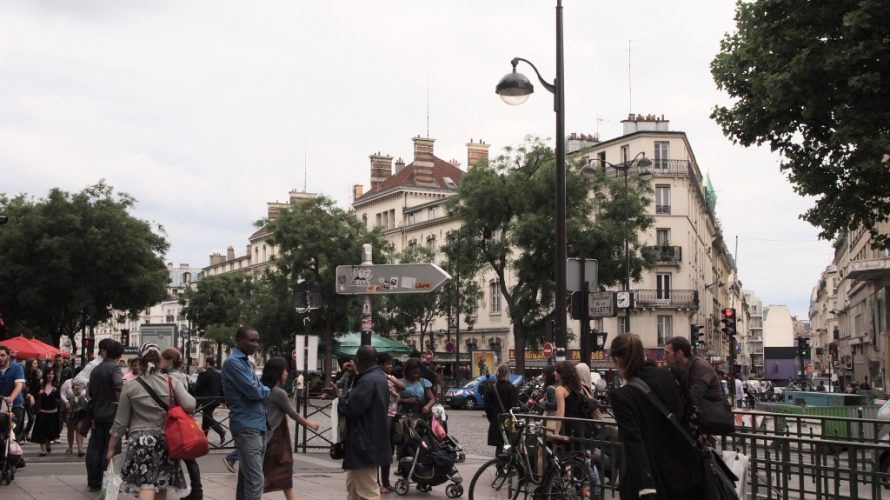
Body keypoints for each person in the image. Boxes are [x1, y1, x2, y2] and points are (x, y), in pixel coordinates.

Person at [608, 334, 705, 499]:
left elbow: (633, 441)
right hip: (687, 471)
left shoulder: (621, 396)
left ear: (617, 360)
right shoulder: (670, 374)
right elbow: (691, 411)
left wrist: (645, 487)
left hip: (655, 478)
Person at [107, 343, 194, 499]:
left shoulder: (130, 386)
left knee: (146, 484)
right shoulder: (171, 382)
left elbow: (120, 422)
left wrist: (111, 448)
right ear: (159, 359)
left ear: (140, 361)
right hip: (165, 439)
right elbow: (190, 405)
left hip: (139, 441)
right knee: (162, 483)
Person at [337, 345, 391, 500]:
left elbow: (351, 408)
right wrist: (354, 375)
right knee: (354, 489)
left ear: (357, 360)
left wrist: (338, 396)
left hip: (364, 443)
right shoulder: (377, 377)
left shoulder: (368, 380)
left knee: (367, 492)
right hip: (370, 440)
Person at [222, 326, 270, 500]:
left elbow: (258, 389)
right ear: (239, 340)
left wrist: (261, 389)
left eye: (257, 340)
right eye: (251, 340)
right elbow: (254, 391)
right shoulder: (233, 362)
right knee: (255, 480)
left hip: (258, 423)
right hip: (247, 424)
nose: (256, 344)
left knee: (246, 479)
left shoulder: (246, 363)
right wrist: (265, 390)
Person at [261, 357, 320, 499]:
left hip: (273, 436)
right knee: (271, 472)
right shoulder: (278, 393)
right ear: (278, 373)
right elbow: (292, 413)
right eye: (285, 370)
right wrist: (309, 423)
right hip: (272, 438)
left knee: (278, 472)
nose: (287, 373)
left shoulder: (262, 388)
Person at [163, 348, 204, 500]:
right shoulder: (184, 376)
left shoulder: (170, 377)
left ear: (170, 361)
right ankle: (196, 490)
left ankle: (190, 490)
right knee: (188, 456)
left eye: (163, 359)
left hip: (174, 417)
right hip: (185, 417)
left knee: (177, 454)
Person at [85, 339, 123, 492]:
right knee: (112, 449)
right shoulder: (115, 369)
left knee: (95, 447)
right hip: (111, 413)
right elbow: (118, 386)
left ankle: (93, 481)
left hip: (96, 412)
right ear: (119, 354)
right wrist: (120, 404)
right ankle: (109, 483)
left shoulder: (96, 369)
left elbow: (90, 392)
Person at [664, 336, 724, 403]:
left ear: (679, 353)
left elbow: (694, 398)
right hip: (700, 410)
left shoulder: (701, 367)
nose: (664, 357)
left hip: (712, 410)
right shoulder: (678, 369)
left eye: (667, 353)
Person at [377, 352, 405, 494]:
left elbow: (402, 386)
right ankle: (378, 483)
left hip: (393, 415)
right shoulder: (376, 377)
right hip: (384, 415)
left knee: (389, 450)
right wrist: (391, 391)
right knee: (382, 449)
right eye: (388, 364)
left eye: (391, 364)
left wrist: (388, 376)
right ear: (380, 365)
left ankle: (386, 482)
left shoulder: (389, 377)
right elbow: (380, 386)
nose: (390, 366)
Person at [484, 363, 519, 456]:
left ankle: (500, 466)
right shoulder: (511, 388)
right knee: (508, 444)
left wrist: (491, 417)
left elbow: (486, 406)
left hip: (496, 420)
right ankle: (508, 465)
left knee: (499, 446)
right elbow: (514, 406)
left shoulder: (492, 388)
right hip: (508, 421)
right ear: (508, 373)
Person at [29, 369, 62, 456]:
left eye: (52, 374)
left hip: (53, 413)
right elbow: (32, 394)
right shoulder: (40, 385)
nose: (50, 375)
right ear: (45, 375)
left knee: (50, 432)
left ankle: (47, 445)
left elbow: (60, 397)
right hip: (42, 412)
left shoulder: (56, 386)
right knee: (41, 432)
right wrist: (38, 393)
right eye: (49, 374)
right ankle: (43, 450)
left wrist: (56, 392)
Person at [195, 357, 226, 444]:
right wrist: (223, 400)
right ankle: (203, 439)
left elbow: (198, 387)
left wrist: (197, 399)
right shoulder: (218, 374)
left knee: (208, 418)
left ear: (208, 363)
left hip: (206, 400)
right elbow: (221, 388)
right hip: (216, 400)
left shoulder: (203, 374)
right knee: (206, 418)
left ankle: (221, 431)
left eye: (205, 362)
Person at [0, 346, 26, 443]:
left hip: (14, 404)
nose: (0, 358)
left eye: (3, 355)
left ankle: (15, 452)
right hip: (0, 404)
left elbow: (19, 385)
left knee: (13, 429)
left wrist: (11, 397)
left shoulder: (17, 368)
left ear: (8, 356)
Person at [60, 377, 87, 456]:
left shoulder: (85, 382)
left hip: (81, 408)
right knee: (70, 429)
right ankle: (70, 447)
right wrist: (66, 402)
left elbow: (88, 394)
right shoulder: (67, 382)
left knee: (79, 428)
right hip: (70, 408)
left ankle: (80, 449)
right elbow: (62, 393)